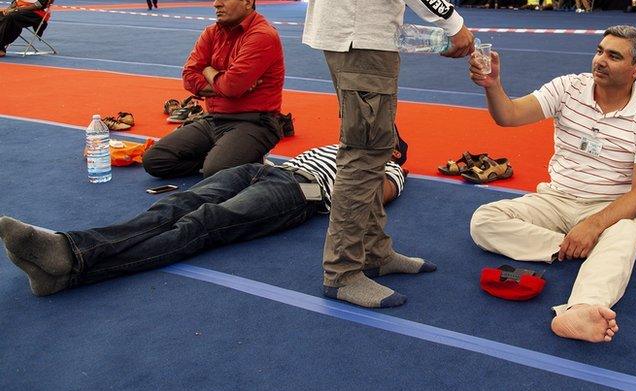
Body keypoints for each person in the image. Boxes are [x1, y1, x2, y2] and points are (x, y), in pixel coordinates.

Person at [302, 0, 476, 309]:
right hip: (361, 32)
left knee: (374, 147)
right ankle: (344, 270)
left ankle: (374, 251)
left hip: (355, 28)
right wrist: (453, 23)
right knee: (364, 152)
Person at [0, 140, 407, 296]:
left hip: (300, 192)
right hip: (263, 169)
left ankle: (68, 258)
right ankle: (64, 266)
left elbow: (361, 202)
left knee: (203, 222)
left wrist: (376, 164)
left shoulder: (388, 170)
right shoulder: (341, 144)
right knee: (174, 205)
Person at [468, 25, 636, 343]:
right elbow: (508, 115)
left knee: (627, 233)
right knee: (484, 221)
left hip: (609, 209)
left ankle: (583, 309)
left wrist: (593, 225)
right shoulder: (569, 87)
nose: (600, 60)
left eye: (614, 56)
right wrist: (493, 85)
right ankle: (578, 250)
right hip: (556, 199)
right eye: (599, 51)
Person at [142, 0, 286, 178]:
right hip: (214, 119)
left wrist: (209, 71)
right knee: (154, 160)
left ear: (247, 2)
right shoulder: (211, 32)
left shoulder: (262, 35)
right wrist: (225, 83)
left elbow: (232, 86)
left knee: (215, 171)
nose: (216, 4)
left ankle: (235, 160)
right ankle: (227, 158)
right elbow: (189, 77)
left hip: (254, 122)